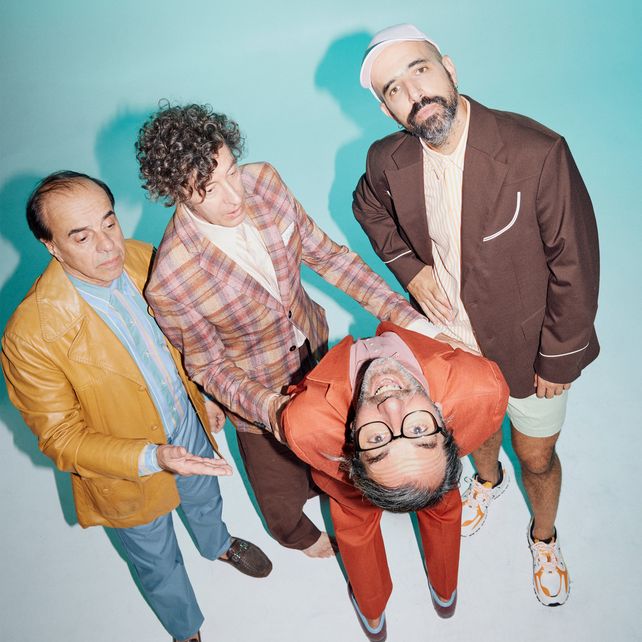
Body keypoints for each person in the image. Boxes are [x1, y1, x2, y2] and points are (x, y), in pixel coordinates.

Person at [353, 24, 600, 606]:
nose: (414, 93)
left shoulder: (537, 152)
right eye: (393, 89)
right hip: (451, 343)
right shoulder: (387, 159)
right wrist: (412, 269)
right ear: (385, 108)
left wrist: (558, 359)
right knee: (477, 430)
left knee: (536, 456)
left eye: (420, 70)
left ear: (449, 67)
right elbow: (366, 208)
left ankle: (544, 536)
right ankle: (488, 482)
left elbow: (576, 264)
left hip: (531, 348)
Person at [135, 103, 451, 559]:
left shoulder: (264, 181)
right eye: (208, 189)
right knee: (278, 487)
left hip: (315, 350)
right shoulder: (170, 279)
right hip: (256, 390)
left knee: (336, 447)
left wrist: (411, 319)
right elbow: (209, 366)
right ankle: (299, 537)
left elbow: (329, 258)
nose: (234, 196)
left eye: (231, 171)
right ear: (176, 192)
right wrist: (274, 410)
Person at [1, 171, 272, 642]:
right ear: (51, 246)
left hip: (186, 423)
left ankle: (218, 544)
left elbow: (190, 336)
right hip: (126, 465)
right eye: (81, 237)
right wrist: (154, 457)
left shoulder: (145, 258)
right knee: (155, 557)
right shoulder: (28, 337)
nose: (108, 246)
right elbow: (61, 439)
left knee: (205, 498)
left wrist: (205, 394)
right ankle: (185, 627)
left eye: (109, 223)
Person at [281, 321, 509, 641]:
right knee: (439, 499)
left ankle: (372, 611)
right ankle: (445, 592)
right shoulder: (482, 386)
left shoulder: (308, 423)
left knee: (356, 522)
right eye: (418, 430)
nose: (390, 405)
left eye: (377, 439)